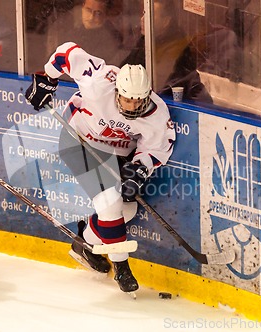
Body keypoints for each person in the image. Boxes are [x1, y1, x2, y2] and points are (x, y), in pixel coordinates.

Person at [25, 42, 176, 293]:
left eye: (137, 102)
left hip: (115, 154)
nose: (131, 107)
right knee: (110, 202)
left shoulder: (157, 114)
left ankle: (84, 244)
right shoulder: (99, 81)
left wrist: (139, 168)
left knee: (126, 209)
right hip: (78, 139)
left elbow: (157, 149)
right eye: (126, 100)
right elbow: (67, 53)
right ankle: (122, 268)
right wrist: (47, 79)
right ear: (117, 90)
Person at [121, 0, 212, 103]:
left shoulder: (175, 48)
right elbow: (122, 71)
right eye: (143, 14)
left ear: (166, 22)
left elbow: (157, 87)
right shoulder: (145, 41)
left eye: (149, 15)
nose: (142, 19)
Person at [42, 0, 126, 68]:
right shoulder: (73, 33)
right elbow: (54, 61)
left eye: (98, 13)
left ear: (106, 15)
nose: (91, 18)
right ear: (82, 8)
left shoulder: (112, 39)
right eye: (88, 10)